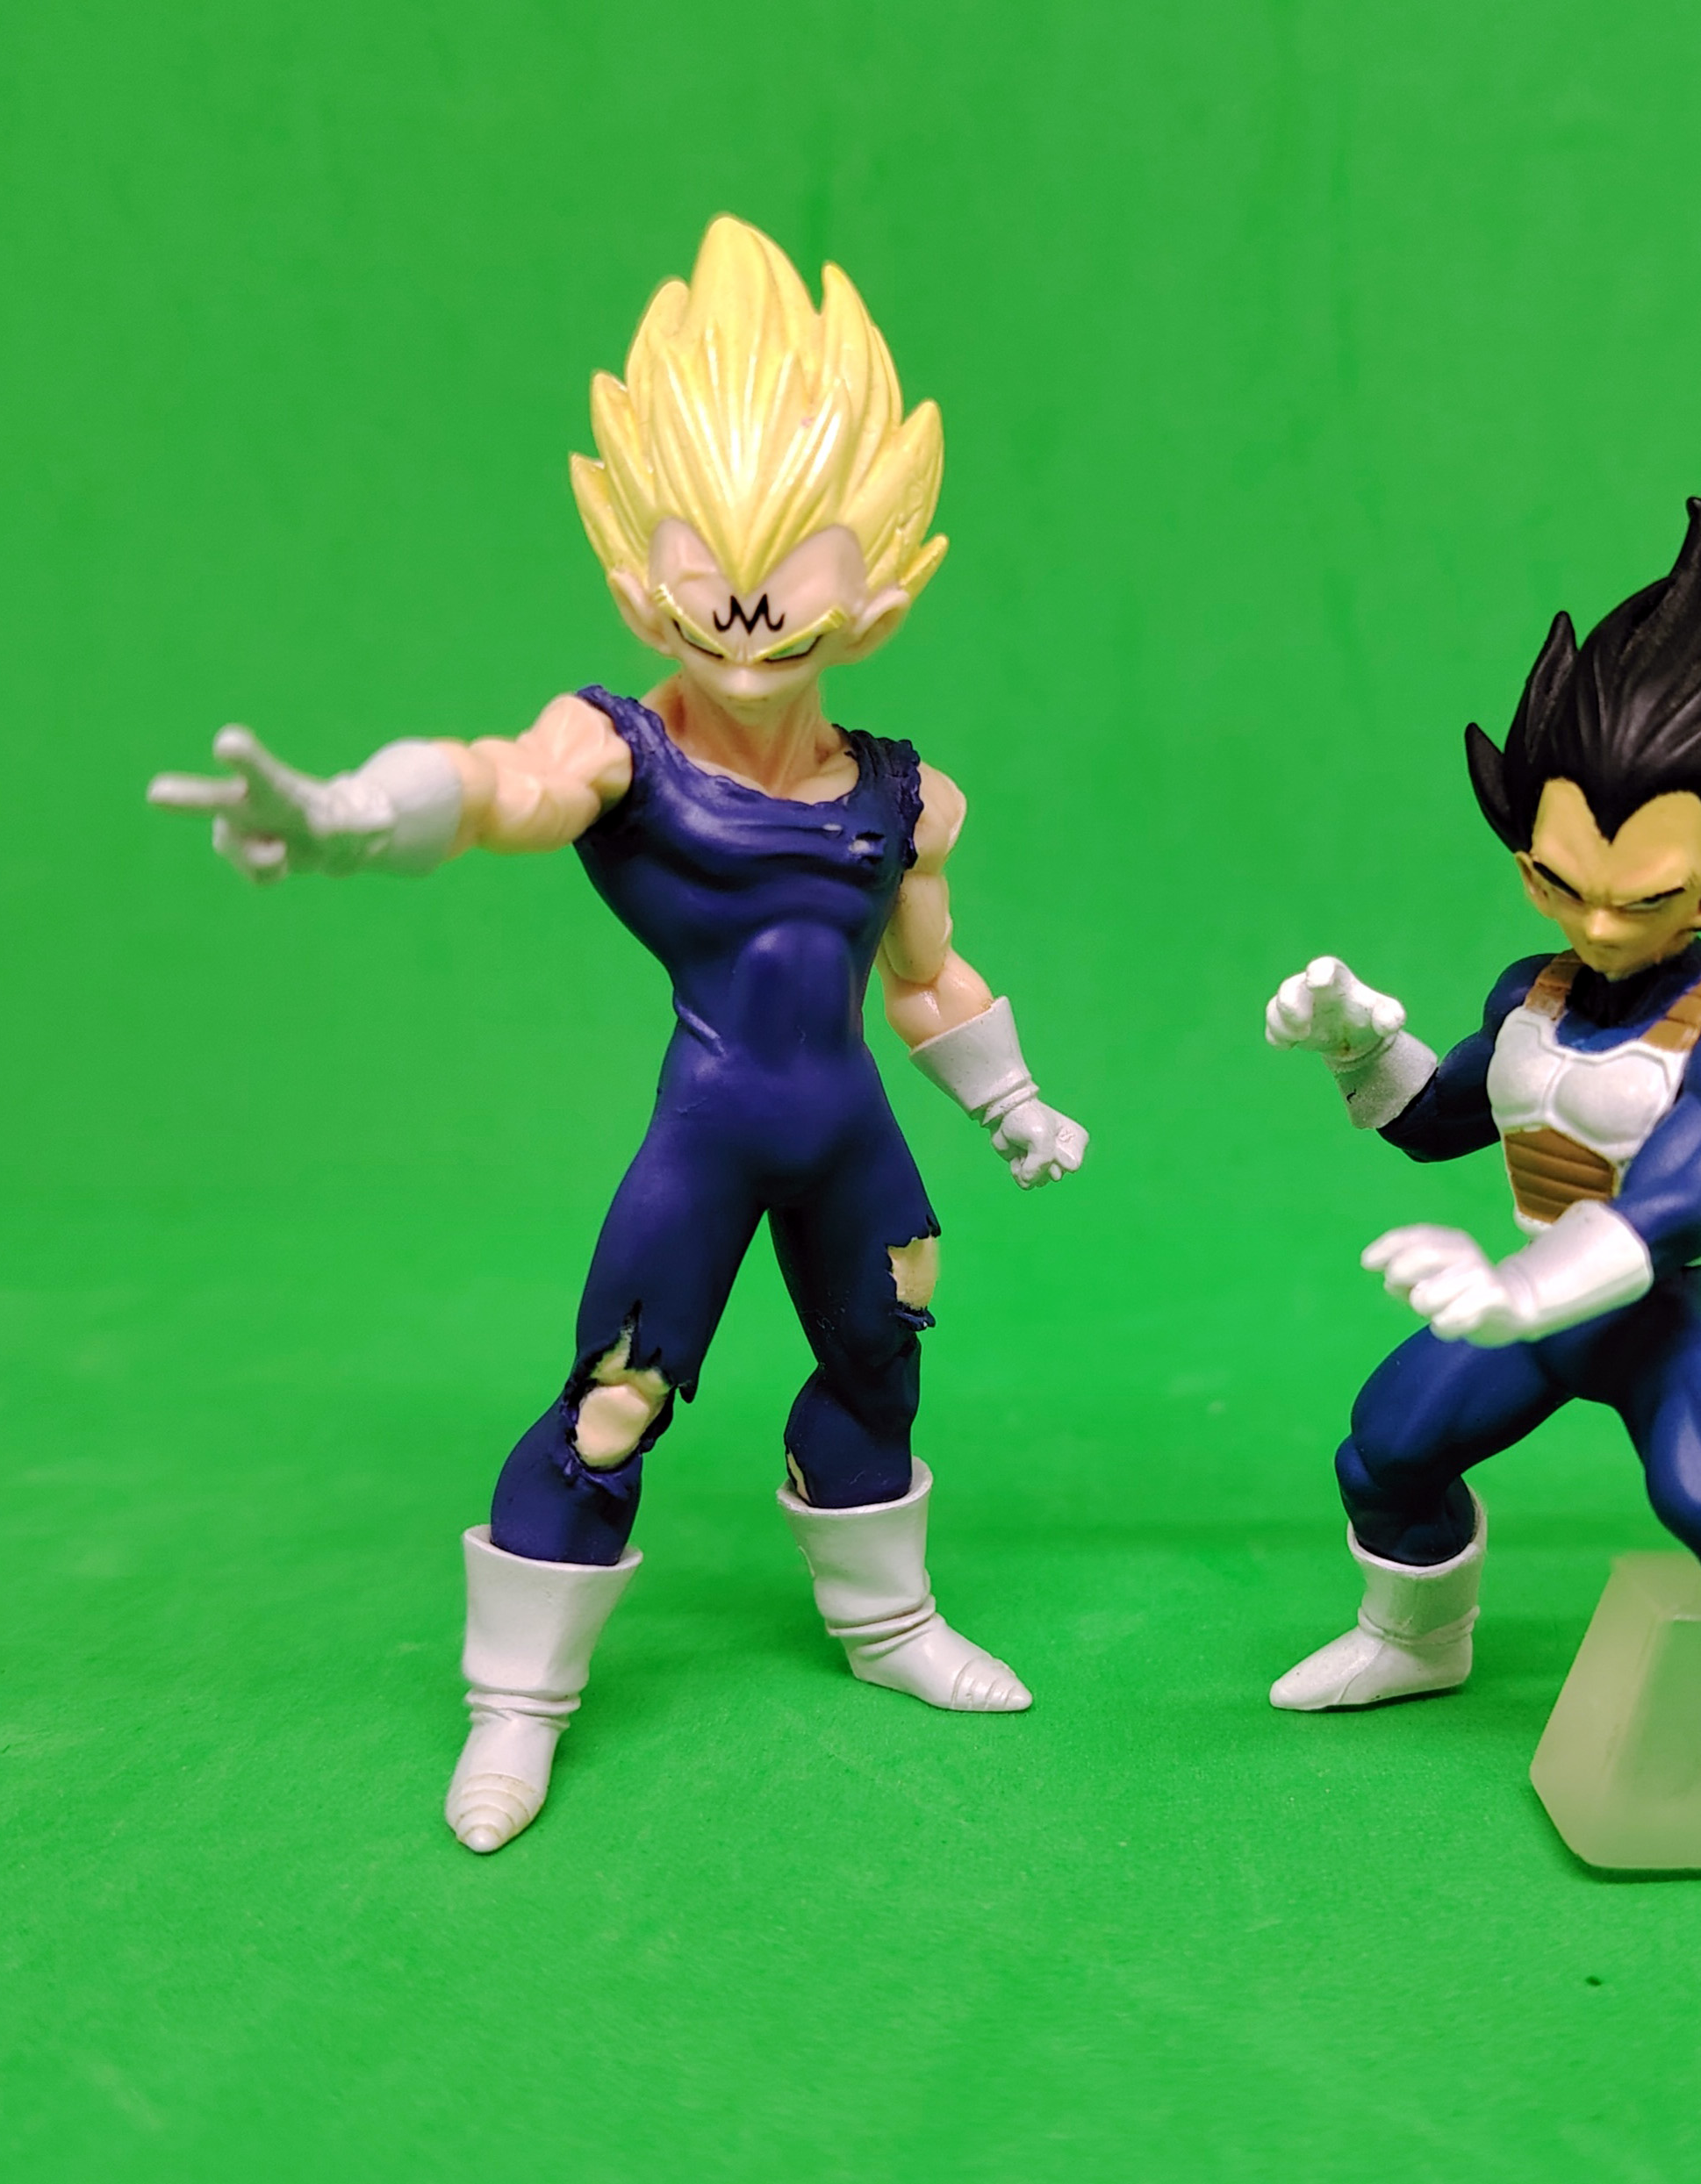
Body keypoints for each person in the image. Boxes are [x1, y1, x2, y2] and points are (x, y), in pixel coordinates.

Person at [151, 217, 1086, 1854]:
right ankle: (515, 1704)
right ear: (638, 571)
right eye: (708, 577)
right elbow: (507, 785)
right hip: (710, 1127)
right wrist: (363, 813)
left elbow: (925, 978)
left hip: (848, 1135)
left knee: (881, 1354)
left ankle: (887, 1623)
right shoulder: (617, 749)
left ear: (880, 583)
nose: (745, 616)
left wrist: (1010, 1103)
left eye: (788, 579)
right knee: (614, 1399)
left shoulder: (905, 796)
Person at [1264, 500, 1701, 1966]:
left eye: (1644, 897)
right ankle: (1417, 1642)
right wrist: (1354, 1040)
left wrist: (1518, 1293)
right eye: (1558, 881)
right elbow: (1439, 1118)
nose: (1598, 924)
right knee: (1386, 1447)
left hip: (1642, 1321)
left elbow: (1680, 1199)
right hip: (1530, 1309)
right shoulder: (1532, 989)